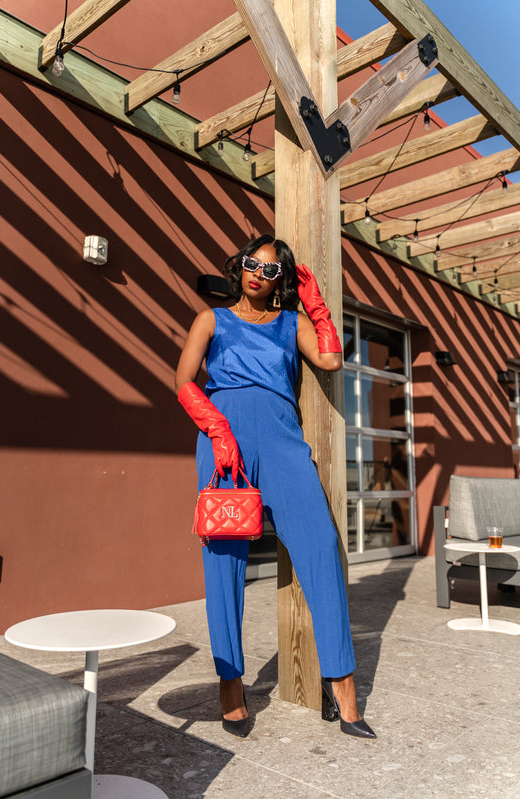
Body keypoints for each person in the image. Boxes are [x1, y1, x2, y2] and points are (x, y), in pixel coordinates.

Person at [175, 233, 376, 740]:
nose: (257, 275)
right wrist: (217, 429)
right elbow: (184, 381)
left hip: (284, 440)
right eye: (251, 264)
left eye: (270, 270)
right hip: (223, 437)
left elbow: (330, 361)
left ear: (280, 279)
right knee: (224, 561)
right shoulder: (211, 320)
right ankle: (230, 684)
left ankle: (342, 681)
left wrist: (316, 305)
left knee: (321, 546)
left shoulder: (292, 323)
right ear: (239, 265)